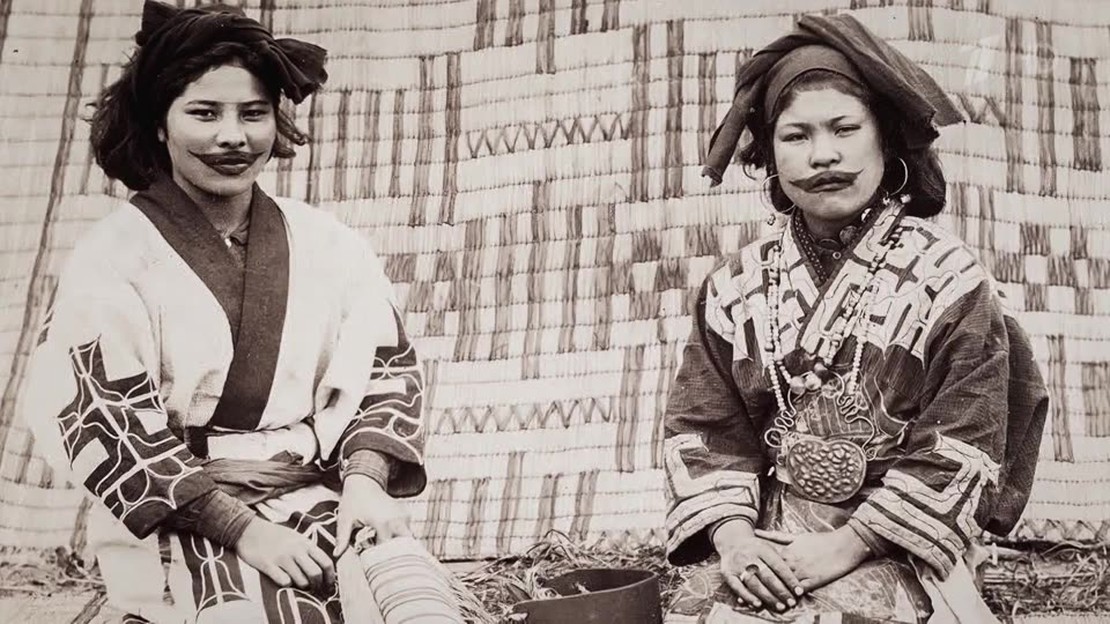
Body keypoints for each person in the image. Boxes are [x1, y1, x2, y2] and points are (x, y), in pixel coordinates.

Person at [19, 2, 428, 622]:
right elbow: (101, 415)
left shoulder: (329, 243)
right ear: (160, 125)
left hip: (317, 492)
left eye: (253, 113)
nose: (233, 136)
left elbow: (382, 371)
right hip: (184, 509)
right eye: (204, 113)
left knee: (413, 602)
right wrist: (245, 531)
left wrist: (367, 482)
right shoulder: (111, 258)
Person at [662, 14, 1048, 624]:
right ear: (769, 155)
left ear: (885, 139)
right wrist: (736, 542)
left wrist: (847, 545)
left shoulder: (948, 279)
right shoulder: (735, 286)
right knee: (698, 608)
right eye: (796, 136)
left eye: (845, 128)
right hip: (774, 532)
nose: (824, 155)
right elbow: (704, 427)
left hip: (899, 537)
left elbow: (965, 436)